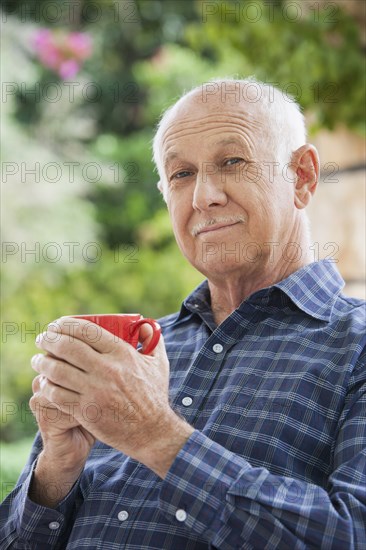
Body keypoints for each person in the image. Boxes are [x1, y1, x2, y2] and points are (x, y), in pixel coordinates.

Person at [1, 79, 365, 550]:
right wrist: (55, 470)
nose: (203, 197)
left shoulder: (356, 346)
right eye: (181, 175)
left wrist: (156, 436)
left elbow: (352, 535)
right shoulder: (129, 355)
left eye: (232, 162)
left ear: (302, 176)